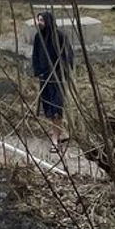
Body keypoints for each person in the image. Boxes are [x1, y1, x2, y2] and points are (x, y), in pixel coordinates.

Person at [30, 9, 75, 146]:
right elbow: (35, 55)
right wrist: (38, 71)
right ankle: (60, 131)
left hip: (57, 78)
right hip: (45, 78)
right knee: (49, 109)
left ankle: (55, 136)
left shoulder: (60, 37)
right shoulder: (38, 37)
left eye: (42, 20)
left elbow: (68, 56)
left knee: (57, 108)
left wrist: (63, 69)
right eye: (39, 20)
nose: (40, 23)